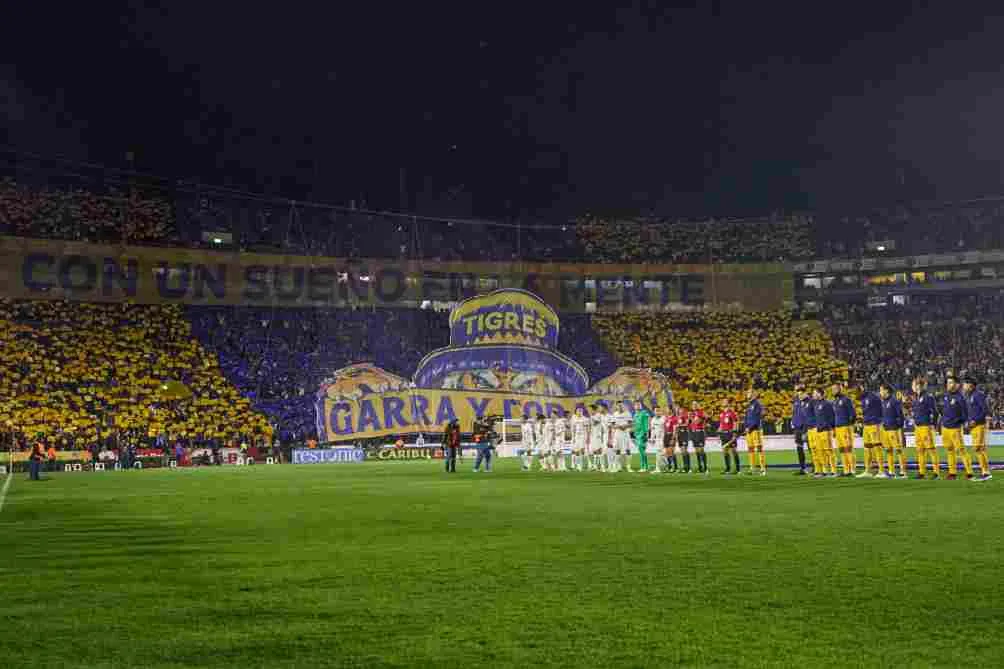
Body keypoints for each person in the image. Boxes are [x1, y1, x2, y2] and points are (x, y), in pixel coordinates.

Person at [940, 377, 973, 480]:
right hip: (945, 428)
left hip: (955, 428)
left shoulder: (960, 398)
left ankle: (969, 472)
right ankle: (952, 473)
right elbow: (944, 411)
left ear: (956, 385)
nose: (948, 385)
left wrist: (958, 422)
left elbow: (965, 414)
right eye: (948, 383)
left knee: (961, 450)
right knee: (950, 450)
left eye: (950, 383)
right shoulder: (946, 396)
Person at [963, 376, 992, 481]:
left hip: (979, 425)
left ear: (970, 385)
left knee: (978, 448)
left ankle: (986, 472)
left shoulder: (978, 395)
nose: (963, 386)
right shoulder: (970, 396)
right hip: (974, 426)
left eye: (965, 384)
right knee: (980, 449)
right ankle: (985, 471)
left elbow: (985, 410)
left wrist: (975, 420)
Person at [911, 377, 940, 479]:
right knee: (920, 450)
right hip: (918, 428)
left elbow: (935, 412)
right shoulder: (915, 398)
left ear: (919, 386)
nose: (912, 387)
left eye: (914, 385)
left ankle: (936, 473)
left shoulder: (928, 397)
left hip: (926, 427)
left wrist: (933, 425)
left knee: (931, 450)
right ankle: (921, 472)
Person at [879, 383, 906, 479]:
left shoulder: (894, 401)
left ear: (886, 391)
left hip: (894, 430)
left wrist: (898, 427)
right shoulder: (883, 402)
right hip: (885, 429)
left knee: (898, 450)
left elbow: (900, 416)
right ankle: (891, 471)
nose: (880, 392)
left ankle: (903, 472)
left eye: (881, 390)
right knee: (888, 450)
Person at [858, 384, 884, 478]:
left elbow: (881, 410)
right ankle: (867, 471)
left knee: (877, 447)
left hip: (874, 425)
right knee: (867, 449)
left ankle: (881, 471)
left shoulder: (873, 397)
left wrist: (878, 422)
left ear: (862, 389)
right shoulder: (863, 399)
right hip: (866, 426)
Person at [832, 382, 857, 477]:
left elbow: (853, 414)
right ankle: (846, 470)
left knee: (848, 448)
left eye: (835, 389)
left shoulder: (846, 400)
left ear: (840, 389)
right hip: (838, 428)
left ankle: (852, 469)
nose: (833, 391)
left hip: (846, 427)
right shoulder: (834, 402)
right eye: (832, 389)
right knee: (842, 449)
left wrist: (849, 425)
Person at [812, 388, 837, 478]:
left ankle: (834, 471)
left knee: (829, 451)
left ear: (819, 394)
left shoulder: (827, 404)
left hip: (826, 431)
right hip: (818, 431)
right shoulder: (816, 404)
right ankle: (824, 471)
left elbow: (832, 417)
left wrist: (832, 429)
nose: (813, 395)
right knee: (820, 452)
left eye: (814, 393)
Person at [743, 390, 766, 476]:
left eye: (749, 393)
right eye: (747, 393)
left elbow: (757, 418)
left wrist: (750, 427)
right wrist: (746, 427)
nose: (747, 394)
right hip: (748, 431)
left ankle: (762, 468)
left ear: (753, 394)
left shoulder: (757, 404)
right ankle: (752, 468)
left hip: (756, 430)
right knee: (750, 449)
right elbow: (746, 418)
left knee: (759, 448)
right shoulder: (748, 405)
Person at [790, 384, 810, 476]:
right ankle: (803, 468)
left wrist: (806, 429)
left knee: (812, 448)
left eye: (799, 391)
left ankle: (817, 467)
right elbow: (794, 413)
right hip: (797, 428)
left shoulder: (810, 401)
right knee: (799, 448)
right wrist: (793, 422)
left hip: (806, 428)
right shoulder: (796, 401)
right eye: (797, 391)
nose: (798, 393)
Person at [718, 398, 740, 475]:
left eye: (725, 401)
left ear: (728, 403)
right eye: (723, 401)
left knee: (734, 451)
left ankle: (737, 469)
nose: (723, 402)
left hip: (730, 434)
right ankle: (727, 469)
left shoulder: (732, 413)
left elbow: (735, 423)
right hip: (723, 434)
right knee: (725, 451)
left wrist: (734, 433)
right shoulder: (721, 414)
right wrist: (719, 432)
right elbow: (721, 424)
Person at [611, 401, 633, 473]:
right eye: (618, 406)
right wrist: (618, 426)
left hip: (625, 433)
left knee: (628, 450)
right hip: (617, 433)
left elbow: (631, 424)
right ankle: (619, 466)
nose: (620, 407)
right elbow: (612, 425)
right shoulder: (615, 414)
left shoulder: (628, 413)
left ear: (623, 406)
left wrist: (625, 426)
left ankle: (628, 467)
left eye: (621, 405)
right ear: (616, 406)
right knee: (617, 450)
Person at [688, 401, 708, 474]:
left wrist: (691, 418)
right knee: (696, 451)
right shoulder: (692, 413)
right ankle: (700, 467)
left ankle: (705, 467)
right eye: (693, 404)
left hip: (700, 432)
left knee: (701, 450)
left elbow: (697, 422)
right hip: (693, 432)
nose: (694, 406)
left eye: (695, 404)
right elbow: (689, 423)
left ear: (697, 405)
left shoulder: (700, 412)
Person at [589, 403, 609, 472]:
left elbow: (596, 423)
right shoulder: (593, 416)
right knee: (595, 451)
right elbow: (592, 426)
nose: (590, 411)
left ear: (594, 410)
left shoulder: (598, 415)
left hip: (598, 435)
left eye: (591, 409)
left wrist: (592, 418)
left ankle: (603, 467)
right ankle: (595, 466)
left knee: (599, 451)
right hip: (593, 435)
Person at [632, 403, 651, 472]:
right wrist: (634, 433)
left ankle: (644, 466)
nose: (638, 406)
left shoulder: (644, 413)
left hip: (642, 433)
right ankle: (645, 466)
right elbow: (634, 424)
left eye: (639, 405)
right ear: (634, 406)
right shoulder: (635, 415)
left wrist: (646, 433)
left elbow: (647, 423)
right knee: (641, 451)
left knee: (641, 449)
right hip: (637, 434)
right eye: (636, 405)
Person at [571, 406, 591, 471]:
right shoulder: (574, 419)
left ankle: (587, 463)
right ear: (576, 412)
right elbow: (573, 429)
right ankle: (578, 465)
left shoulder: (585, 419)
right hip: (577, 436)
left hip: (583, 436)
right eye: (578, 411)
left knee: (583, 450)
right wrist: (573, 437)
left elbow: (588, 429)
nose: (579, 412)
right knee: (576, 451)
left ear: (582, 412)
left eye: (580, 411)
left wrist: (588, 437)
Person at [649, 405, 666, 474]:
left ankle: (658, 468)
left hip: (664, 438)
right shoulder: (653, 420)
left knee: (660, 453)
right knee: (659, 453)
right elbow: (653, 430)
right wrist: (652, 438)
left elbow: (666, 428)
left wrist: (666, 438)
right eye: (656, 411)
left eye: (659, 411)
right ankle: (663, 466)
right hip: (657, 439)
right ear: (654, 412)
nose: (658, 412)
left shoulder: (664, 418)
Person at [674, 406, 691, 473]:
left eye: (680, 409)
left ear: (683, 410)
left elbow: (687, 424)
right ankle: (685, 467)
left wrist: (679, 425)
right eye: (678, 409)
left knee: (684, 450)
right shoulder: (677, 417)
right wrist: (675, 435)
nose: (679, 410)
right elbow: (676, 427)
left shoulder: (685, 416)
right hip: (679, 435)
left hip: (684, 435)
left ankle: (688, 467)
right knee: (682, 451)